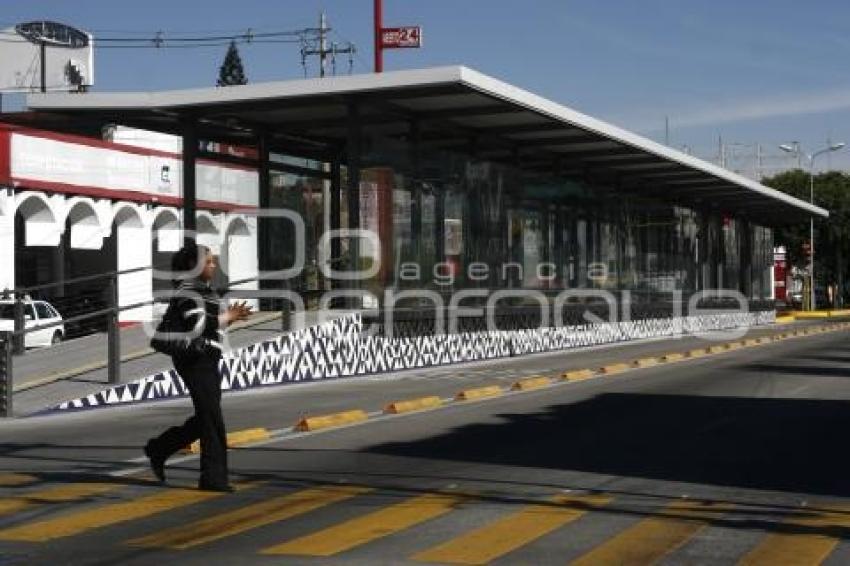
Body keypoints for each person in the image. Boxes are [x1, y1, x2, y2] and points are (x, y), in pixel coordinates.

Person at [143, 243, 252, 492]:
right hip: (195, 359)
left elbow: (208, 325)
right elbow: (198, 324)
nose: (214, 265)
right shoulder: (188, 290)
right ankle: (213, 479)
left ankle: (159, 449)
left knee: (207, 415)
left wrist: (227, 319)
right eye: (209, 261)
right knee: (212, 418)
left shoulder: (202, 289)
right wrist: (227, 317)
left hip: (206, 357)